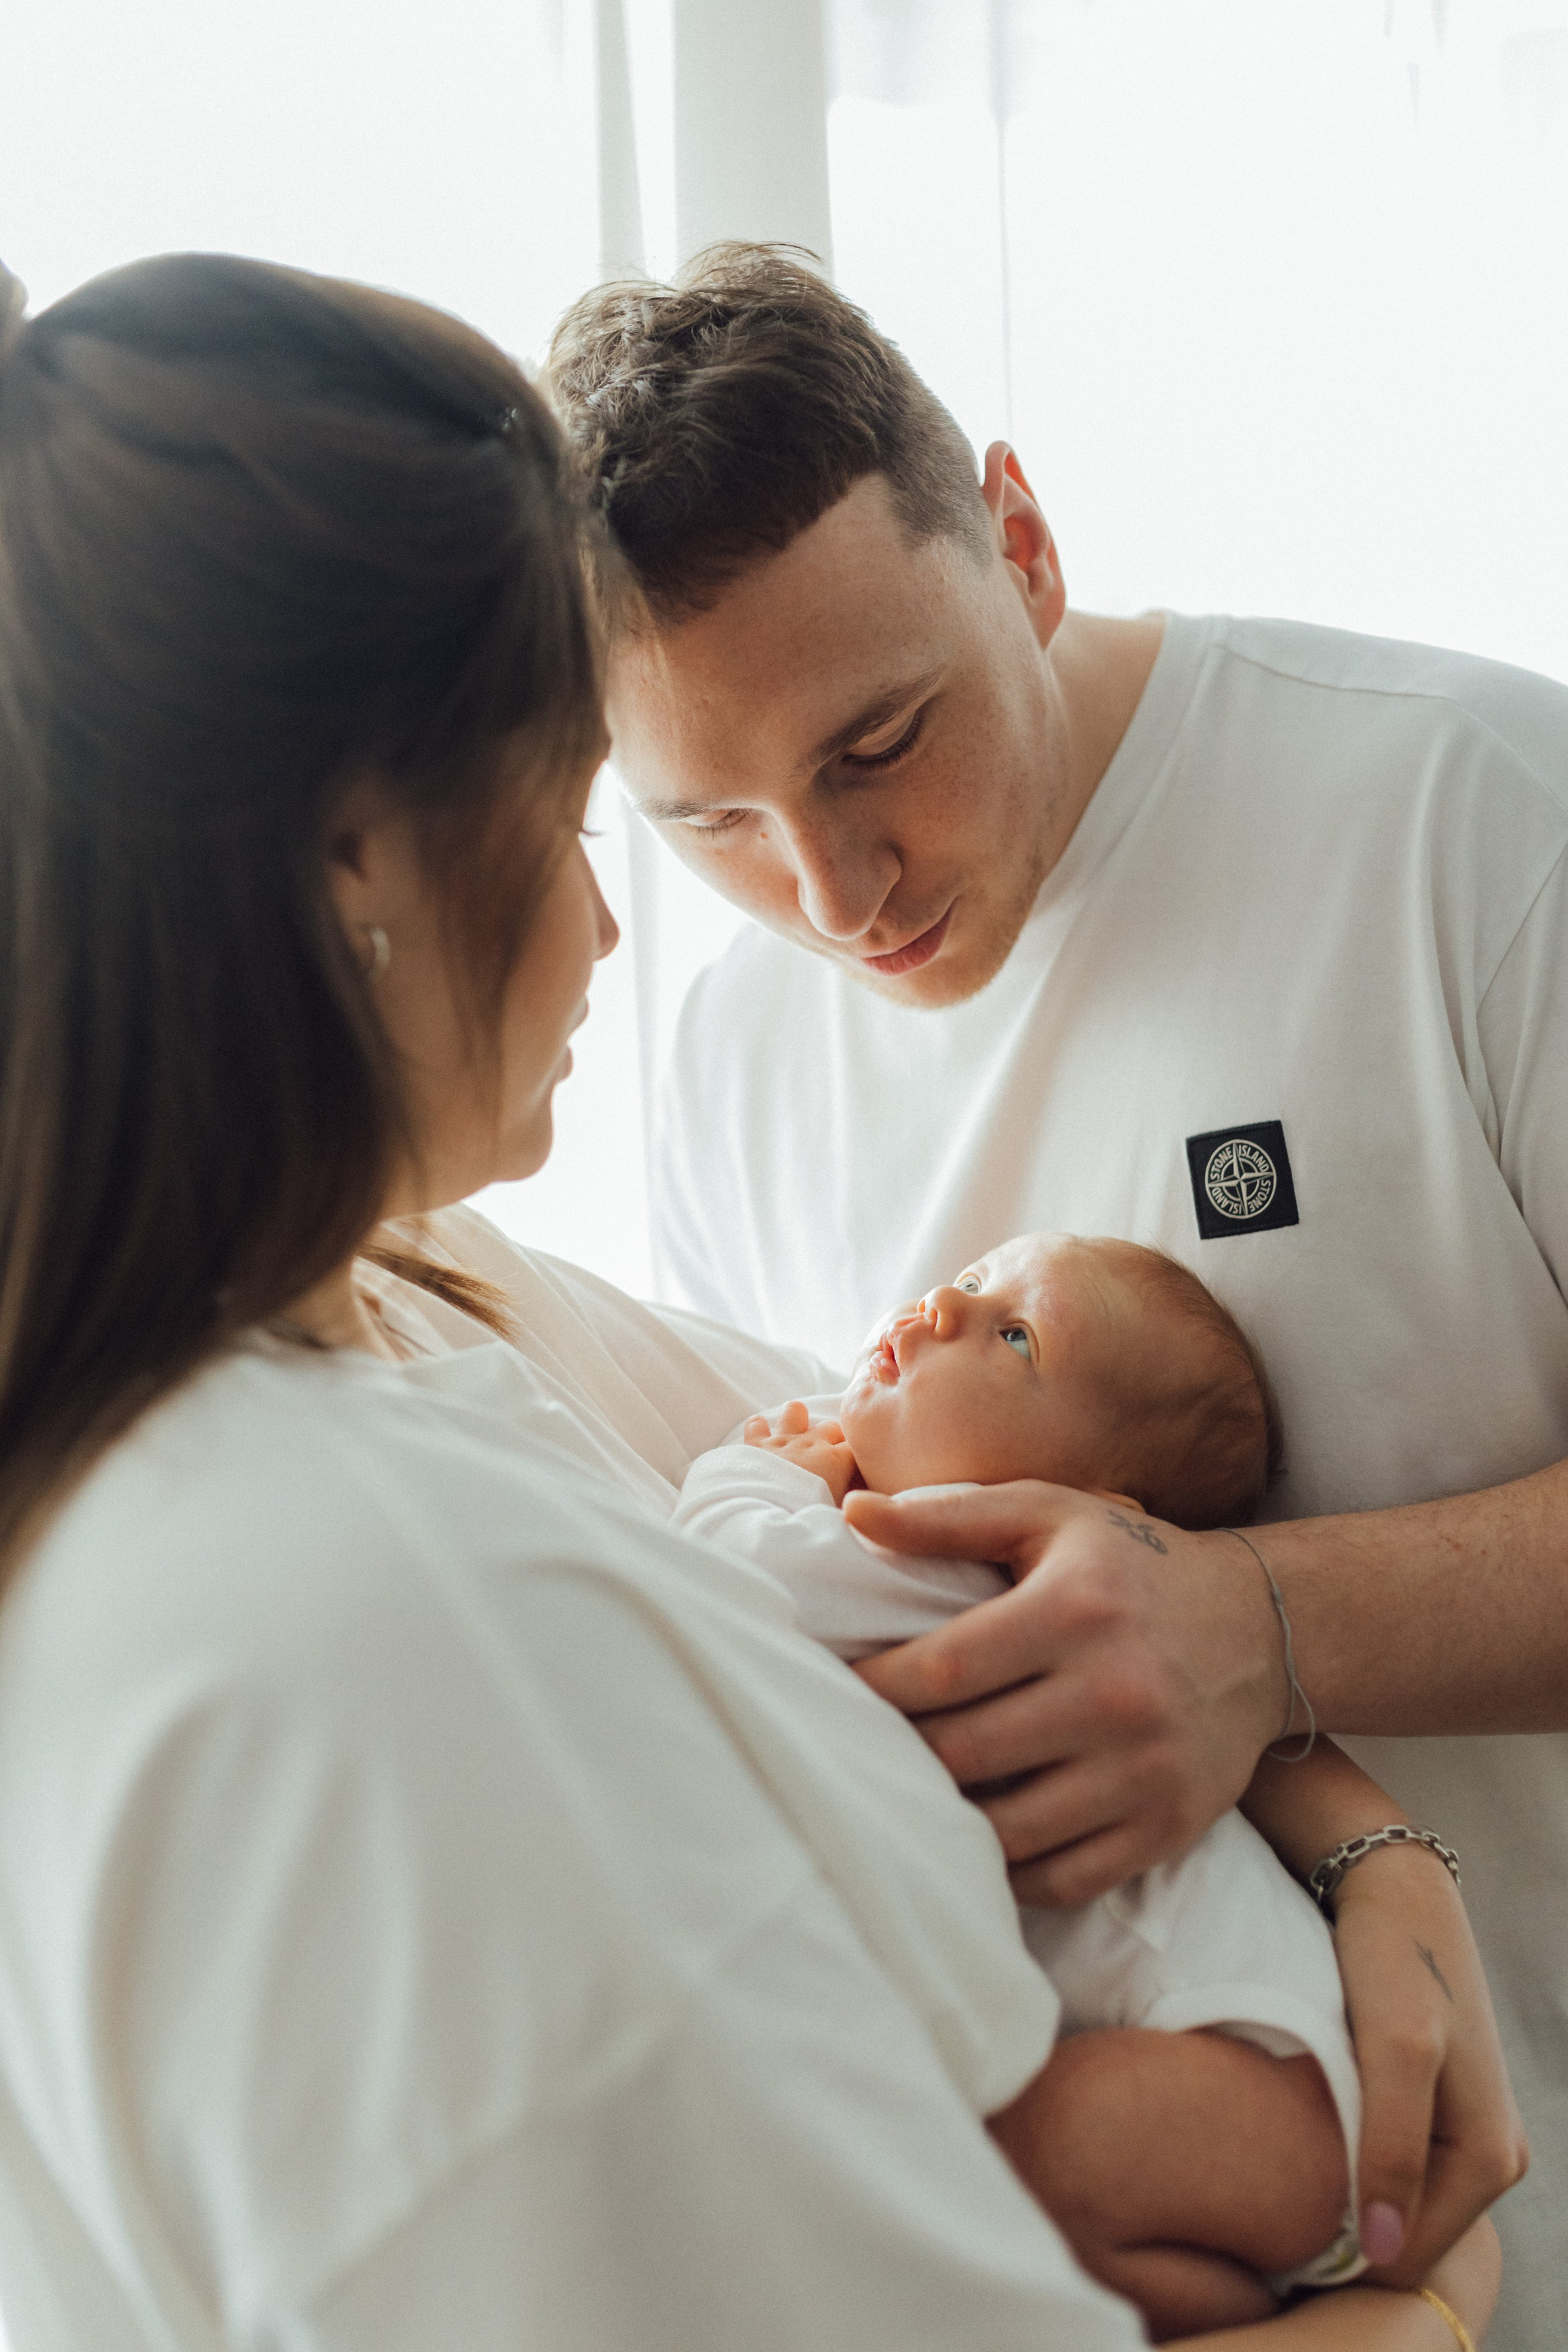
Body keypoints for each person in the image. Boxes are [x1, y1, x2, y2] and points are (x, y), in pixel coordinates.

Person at [0, 249, 1507, 2352]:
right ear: (368, 873)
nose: (791, 899)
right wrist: (1419, 2330)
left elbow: (1044, 1581)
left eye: (881, 744)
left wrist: (1344, 1820)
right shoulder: (379, 1600)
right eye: (625, 814)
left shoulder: (439, 1305)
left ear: (1023, 544)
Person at [546, 243, 1558, 2344]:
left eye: (878, 744)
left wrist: (1268, 1636)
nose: (833, 896)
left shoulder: (1475, 826)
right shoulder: (733, 1075)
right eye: (710, 822)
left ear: (1020, 538)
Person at [675, 1230, 1376, 2334]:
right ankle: (1277, 2306)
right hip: (1258, 2074)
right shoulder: (930, 1560)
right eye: (964, 1283)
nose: (938, 1313)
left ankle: (1287, 2304)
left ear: (1091, 1508)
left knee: (1030, 2165)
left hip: (1252, 2073)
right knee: (1033, 2201)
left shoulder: (987, 1571)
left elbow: (730, 1575)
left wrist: (756, 1466)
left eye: (1015, 1338)